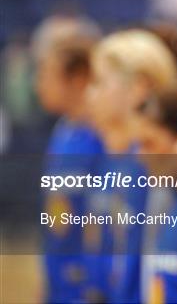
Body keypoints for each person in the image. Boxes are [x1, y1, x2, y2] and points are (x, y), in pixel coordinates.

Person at [86, 29, 177, 303]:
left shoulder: (153, 163)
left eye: (99, 82)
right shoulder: (115, 156)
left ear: (139, 88)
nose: (90, 93)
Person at [35, 32, 104, 303]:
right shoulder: (63, 130)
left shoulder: (101, 137)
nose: (39, 85)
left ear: (77, 80)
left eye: (46, 75)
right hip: (58, 277)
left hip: (88, 284)